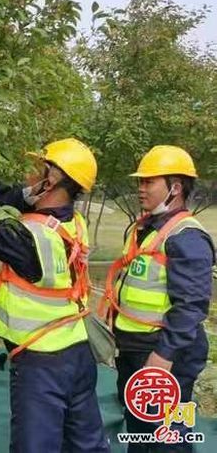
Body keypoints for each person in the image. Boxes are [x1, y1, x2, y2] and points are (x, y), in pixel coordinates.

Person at [0, 138, 108, 452]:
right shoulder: (72, 223)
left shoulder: (30, 239)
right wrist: (25, 194)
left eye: (39, 166)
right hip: (78, 352)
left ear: (51, 179)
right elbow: (9, 198)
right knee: (87, 444)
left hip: (42, 362)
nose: (28, 173)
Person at [101, 145, 215, 451]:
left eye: (149, 181)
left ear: (175, 187)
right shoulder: (143, 228)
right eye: (140, 181)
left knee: (168, 437)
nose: (141, 188)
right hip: (135, 350)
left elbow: (191, 306)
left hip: (165, 355)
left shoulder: (187, 237)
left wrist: (163, 357)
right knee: (139, 430)